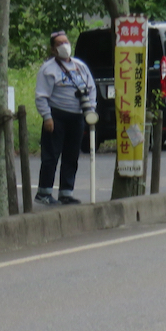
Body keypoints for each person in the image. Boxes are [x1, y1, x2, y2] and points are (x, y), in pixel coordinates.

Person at [34, 30, 96, 205]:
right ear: (53, 49)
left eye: (66, 42)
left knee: (71, 155)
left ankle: (66, 192)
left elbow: (91, 88)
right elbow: (41, 96)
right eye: (59, 44)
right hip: (57, 116)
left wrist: (90, 110)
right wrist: (47, 117)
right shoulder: (48, 69)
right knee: (51, 155)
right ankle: (44, 192)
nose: (64, 46)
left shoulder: (80, 66)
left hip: (77, 117)